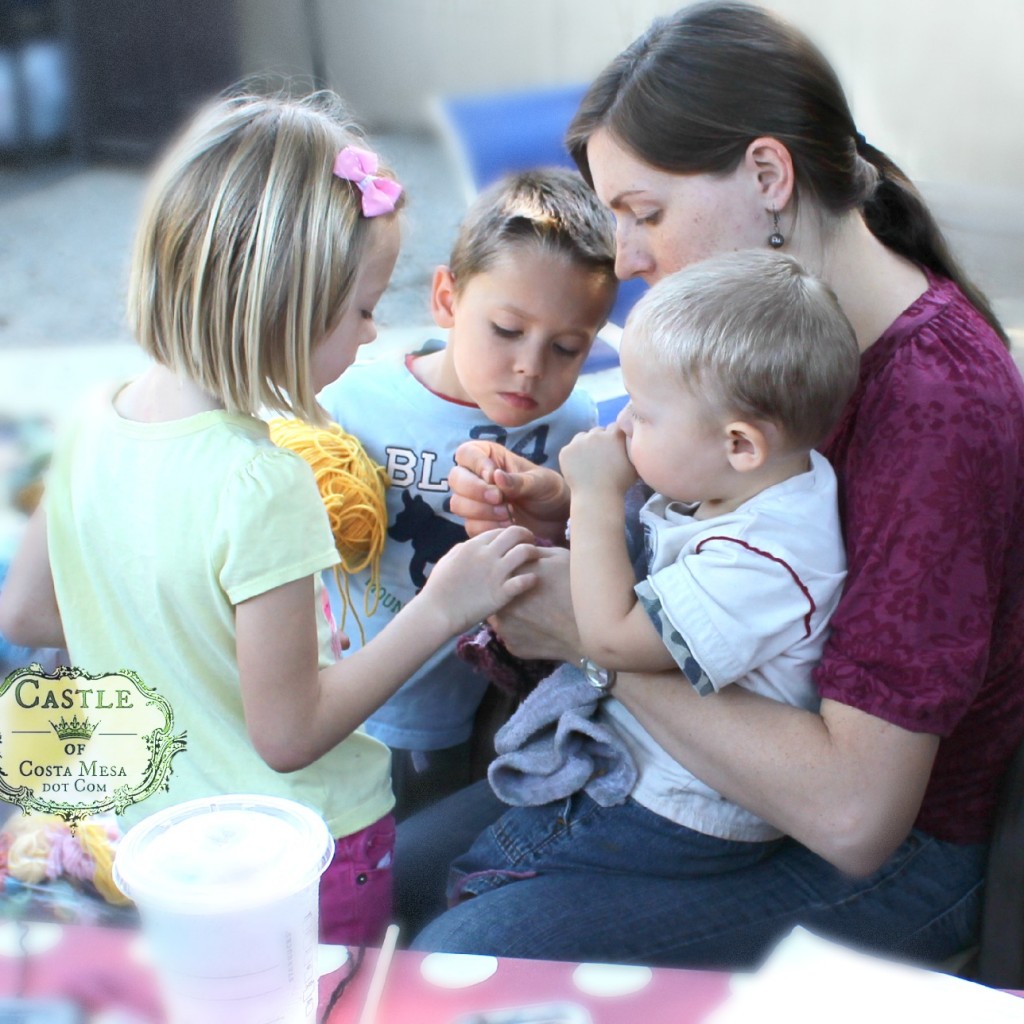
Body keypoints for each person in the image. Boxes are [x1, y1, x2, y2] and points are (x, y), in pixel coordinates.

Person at [397, 0, 1024, 968]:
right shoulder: (756, 341)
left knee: (456, 962)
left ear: (767, 177)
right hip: (698, 786)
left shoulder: (937, 403)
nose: (627, 258)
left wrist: (588, 638)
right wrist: (574, 516)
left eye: (644, 214)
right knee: (385, 883)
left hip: (892, 860)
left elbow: (856, 813)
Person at [0, 90, 541, 946]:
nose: (372, 335)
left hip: (154, 850)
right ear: (282, 301)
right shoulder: (262, 482)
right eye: (362, 308)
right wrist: (446, 603)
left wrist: (163, 627)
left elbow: (26, 612)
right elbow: (290, 733)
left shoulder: (89, 420)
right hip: (299, 855)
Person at [317, 168, 617, 821]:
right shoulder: (352, 401)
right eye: (506, 330)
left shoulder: (575, 426)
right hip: (348, 700)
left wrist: (563, 502)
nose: (531, 367)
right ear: (447, 299)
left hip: (474, 721)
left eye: (568, 348)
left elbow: (593, 555)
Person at [560, 249, 859, 846]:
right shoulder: (760, 478)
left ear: (740, 444)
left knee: (480, 877)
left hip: (675, 809)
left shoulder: (764, 560)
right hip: (660, 766)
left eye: (642, 414)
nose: (621, 425)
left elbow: (611, 638)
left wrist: (590, 496)